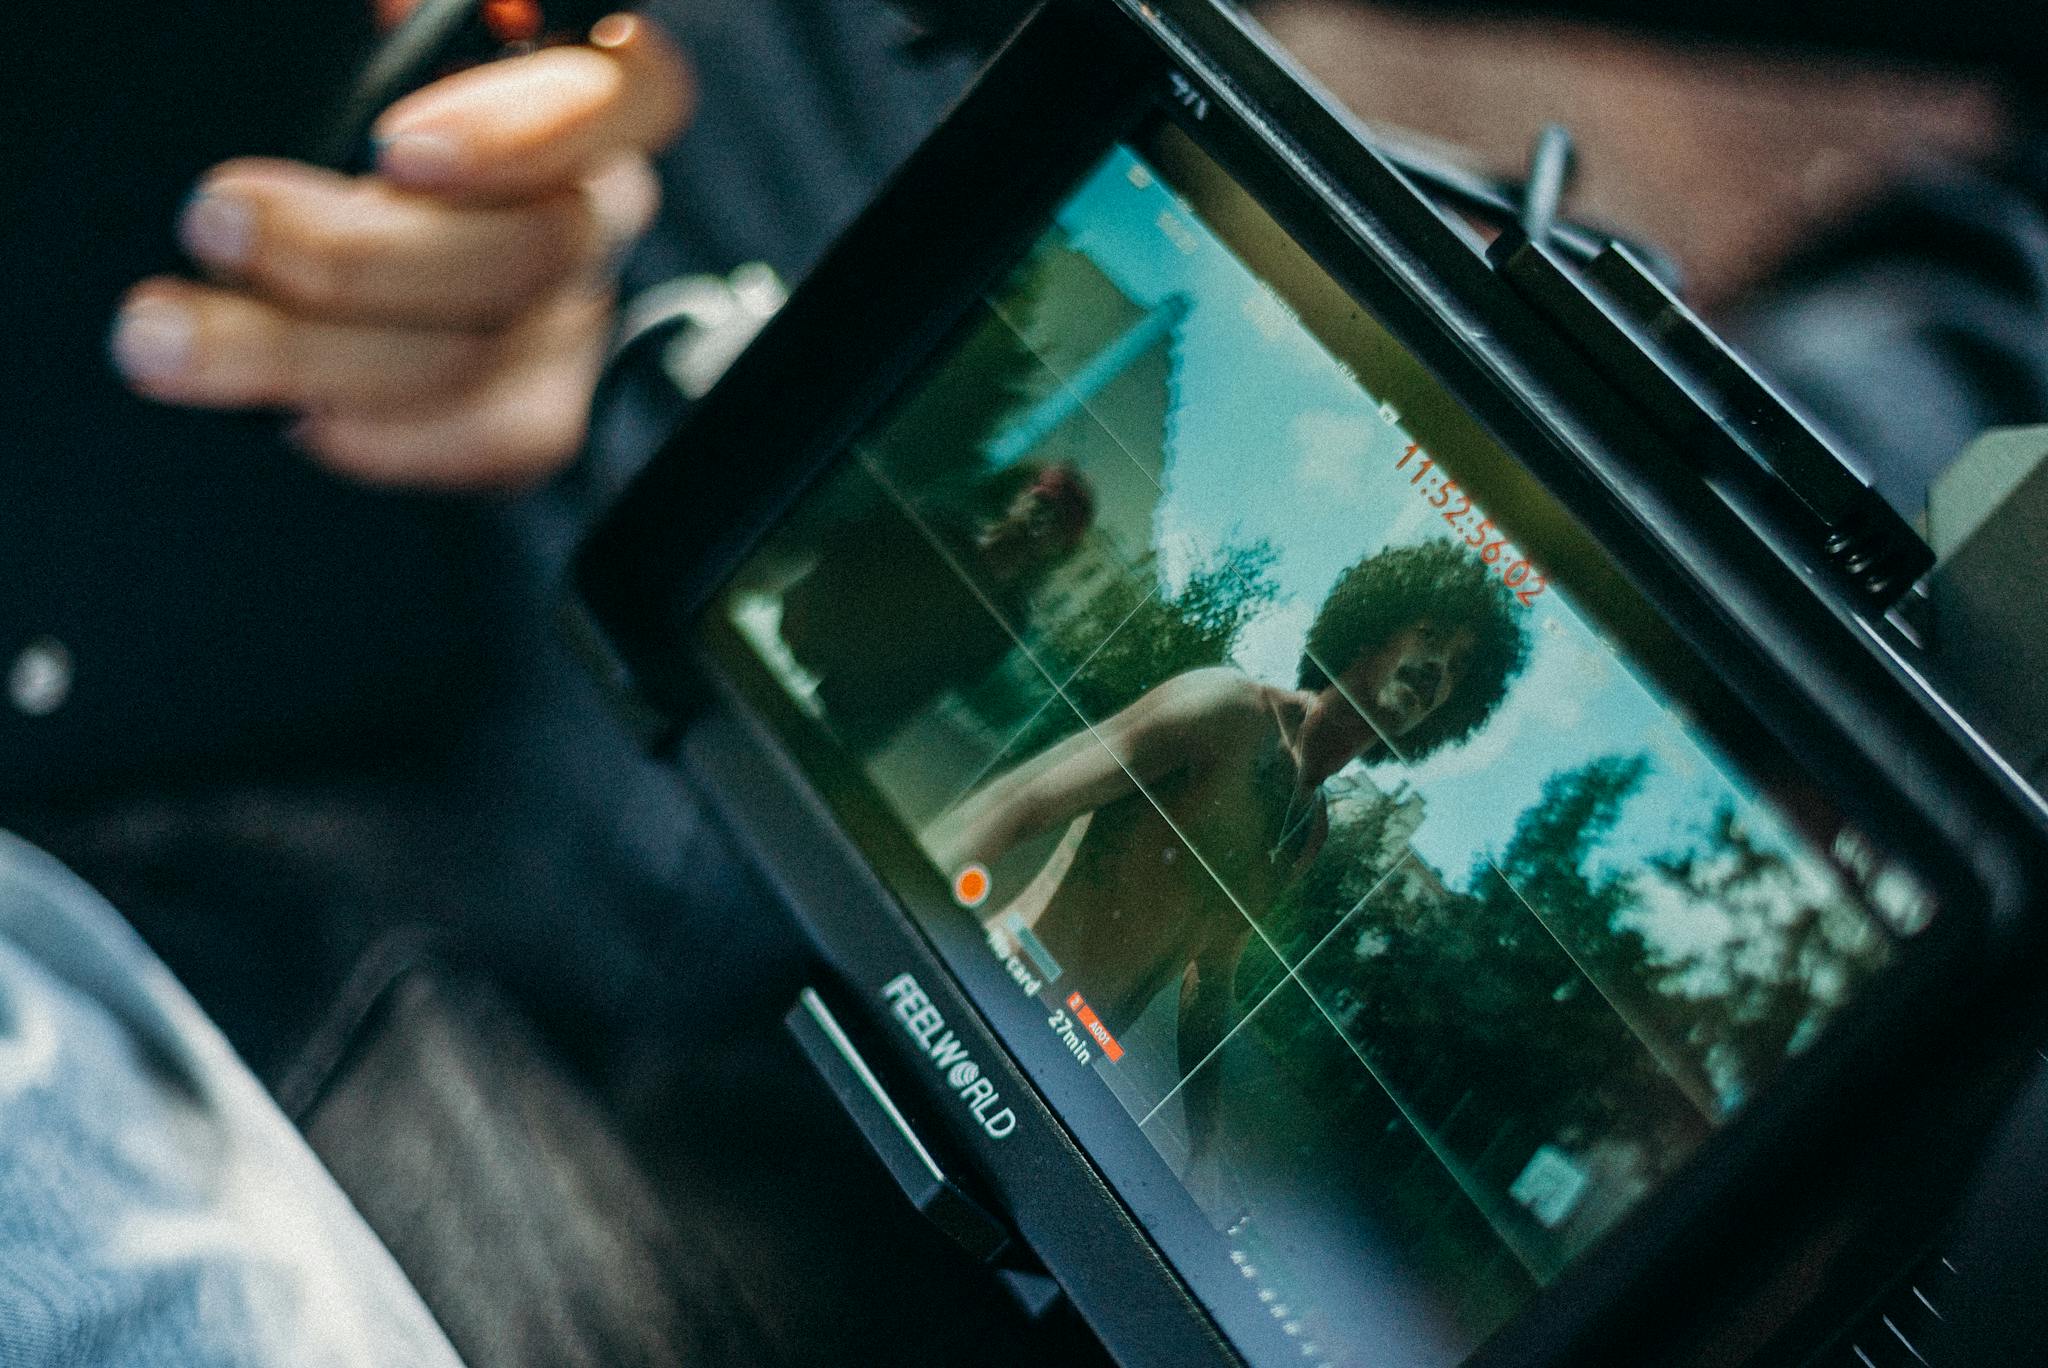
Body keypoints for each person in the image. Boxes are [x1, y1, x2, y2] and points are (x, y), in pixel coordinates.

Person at [934, 539, 1529, 1138]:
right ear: (1372, 630)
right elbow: (1022, 802)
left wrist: (1206, 1142)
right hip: (989, 999)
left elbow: (1212, 976)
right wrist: (897, 922)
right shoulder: (1228, 711)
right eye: (1430, 637)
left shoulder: (1308, 832)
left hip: (1065, 1072)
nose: (1437, 672)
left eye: (1456, 669)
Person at [777, 460, 1097, 750]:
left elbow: (933, 681)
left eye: (1059, 522)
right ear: (1021, 497)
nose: (1042, 521)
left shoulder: (1007, 618)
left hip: (839, 715)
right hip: (788, 648)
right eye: (1043, 503)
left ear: (1059, 547)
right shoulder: (940, 525)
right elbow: (845, 557)